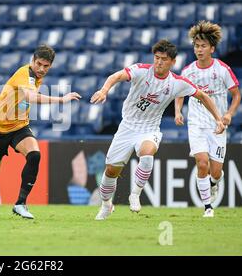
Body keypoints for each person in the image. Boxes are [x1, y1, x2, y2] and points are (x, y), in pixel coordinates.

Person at [90, 39, 225, 220]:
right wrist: (104, 90)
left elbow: (202, 95)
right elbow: (115, 76)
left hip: (150, 129)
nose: (159, 62)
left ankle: (135, 195)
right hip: (127, 127)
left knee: (147, 153)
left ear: (172, 62)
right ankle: (106, 204)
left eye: (163, 59)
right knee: (110, 172)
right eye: (157, 58)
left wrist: (218, 118)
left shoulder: (177, 83)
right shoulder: (141, 70)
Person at [0, 44, 81, 219]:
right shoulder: (24, 73)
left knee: (34, 154)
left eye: (46, 66)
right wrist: (61, 100)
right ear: (32, 61)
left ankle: (20, 204)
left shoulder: (36, 77)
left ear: (50, 66)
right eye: (39, 64)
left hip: (19, 127)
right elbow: (31, 97)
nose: (41, 69)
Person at [175, 21, 240, 218]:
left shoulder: (222, 69)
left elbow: (236, 94)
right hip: (196, 123)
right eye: (196, 45)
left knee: (216, 171)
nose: (199, 49)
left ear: (212, 48)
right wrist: (178, 111)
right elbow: (179, 92)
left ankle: (214, 182)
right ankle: (208, 208)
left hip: (218, 124)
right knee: (202, 163)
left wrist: (228, 114)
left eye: (203, 46)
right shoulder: (188, 71)